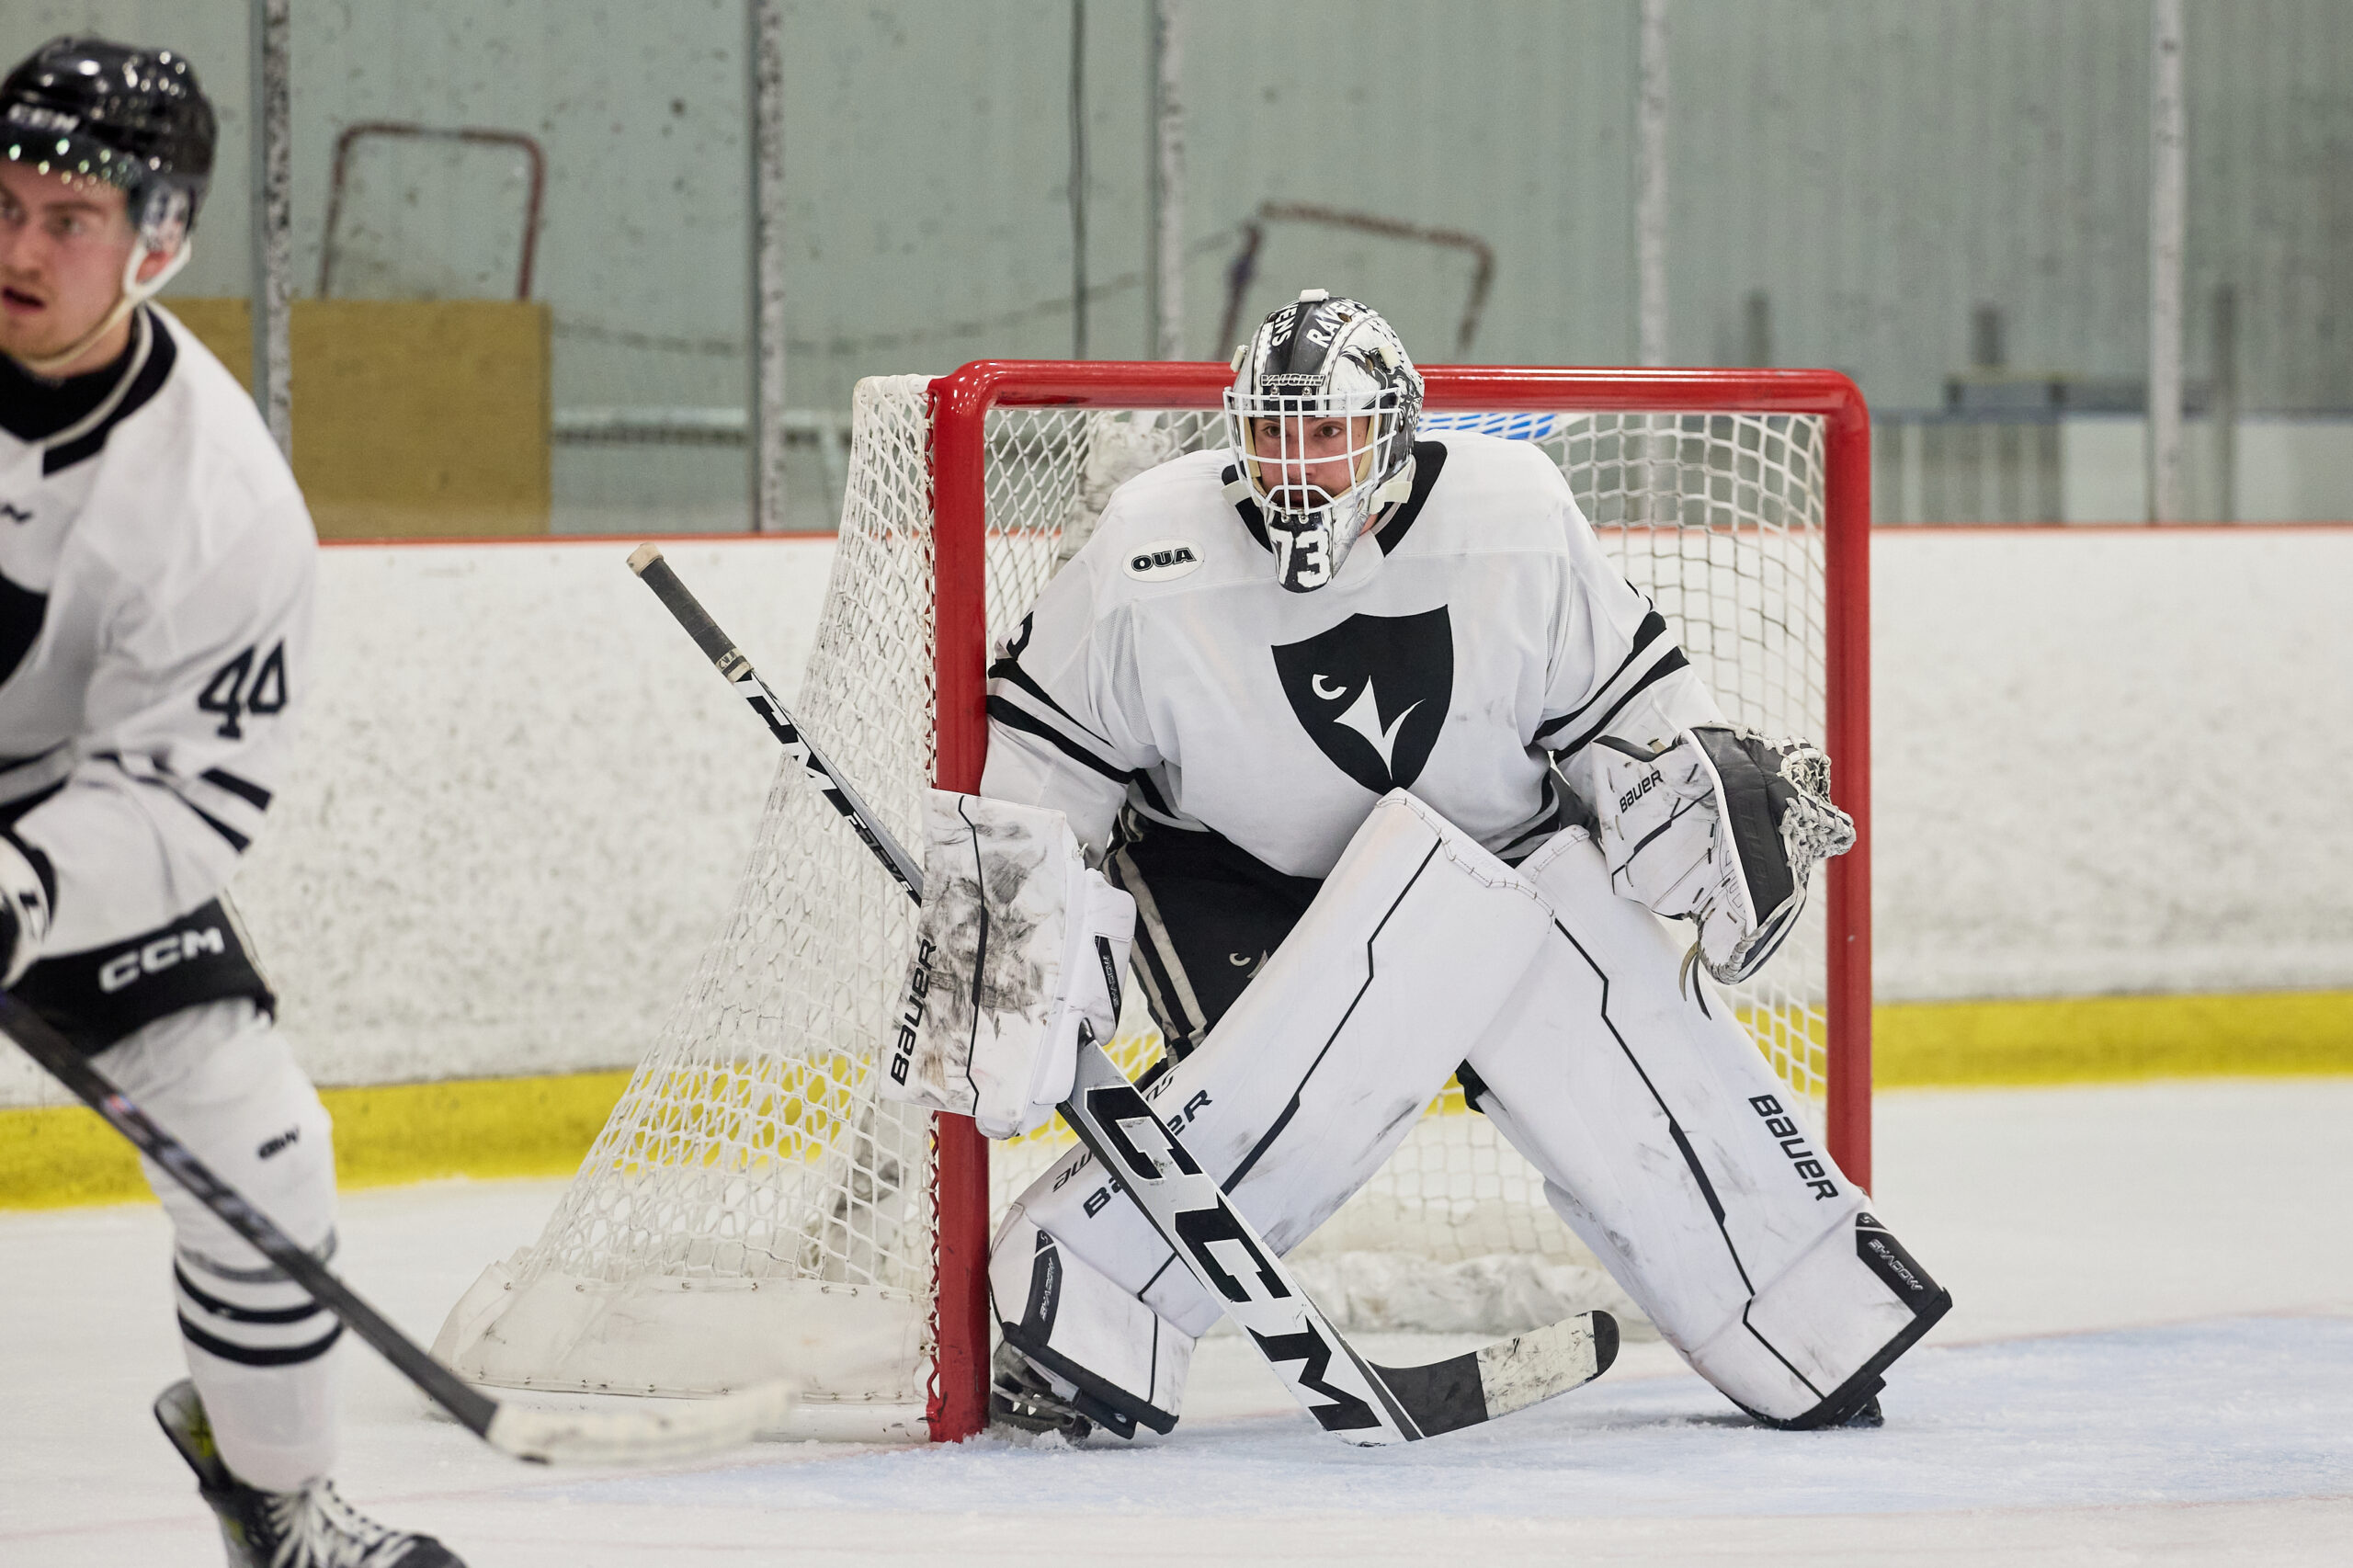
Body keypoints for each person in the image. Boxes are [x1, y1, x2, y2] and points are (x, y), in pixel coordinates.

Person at [900, 289, 1949, 1442]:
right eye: (1272, 429)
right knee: (1294, 1098)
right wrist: (1022, 918)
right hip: (1228, 869)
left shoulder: (1515, 513)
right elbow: (1050, 762)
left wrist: (1690, 793)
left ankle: (1803, 1308)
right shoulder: (1149, 544)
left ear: (1393, 431)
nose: (1295, 461)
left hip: (1490, 853)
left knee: (1614, 1022)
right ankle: (1087, 1299)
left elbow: (1625, 712)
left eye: (1327, 432)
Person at [0, 37, 461, 1567]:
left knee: (260, 1145)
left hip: (52, 833)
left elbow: (181, 797)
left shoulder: (218, 501)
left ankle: (276, 1491)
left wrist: (29, 887)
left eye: (67, 217)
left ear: (162, 237)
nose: (18, 246)